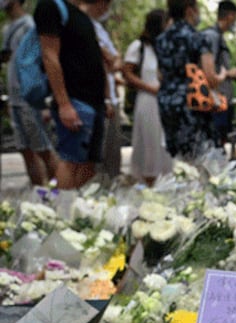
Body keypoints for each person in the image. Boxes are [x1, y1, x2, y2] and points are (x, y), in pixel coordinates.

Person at [35, 0, 110, 189]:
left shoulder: (80, 14)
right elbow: (49, 55)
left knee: (88, 163)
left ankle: (80, 210)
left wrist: (106, 98)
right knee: (71, 161)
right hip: (75, 99)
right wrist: (64, 104)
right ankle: (62, 213)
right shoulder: (51, 6)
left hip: (95, 101)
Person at [155, 0, 223, 159]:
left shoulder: (161, 39)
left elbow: (159, 75)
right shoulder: (197, 37)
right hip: (193, 101)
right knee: (200, 157)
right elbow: (210, 77)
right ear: (189, 10)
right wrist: (223, 76)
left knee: (178, 157)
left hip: (167, 102)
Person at [1, 0, 58, 186]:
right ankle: (39, 195)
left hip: (30, 98)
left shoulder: (29, 25)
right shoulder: (8, 28)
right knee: (25, 149)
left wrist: (44, 100)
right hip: (14, 98)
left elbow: (42, 61)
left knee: (42, 148)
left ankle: (62, 194)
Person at [122, 8, 172, 185]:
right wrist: (149, 88)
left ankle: (164, 180)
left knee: (164, 143)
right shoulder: (139, 47)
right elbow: (127, 73)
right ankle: (146, 179)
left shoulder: (165, 47)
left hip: (164, 101)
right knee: (149, 142)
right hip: (147, 99)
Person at [87, 0, 122, 180]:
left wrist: (111, 60)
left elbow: (115, 61)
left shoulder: (99, 28)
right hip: (99, 99)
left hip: (111, 99)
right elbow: (104, 62)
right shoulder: (83, 25)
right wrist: (106, 98)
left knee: (112, 155)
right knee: (97, 158)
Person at [202, 0, 236, 144]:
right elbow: (207, 69)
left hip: (223, 100)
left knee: (221, 142)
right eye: (235, 17)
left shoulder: (219, 37)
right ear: (230, 16)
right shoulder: (212, 36)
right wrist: (230, 74)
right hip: (215, 100)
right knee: (214, 143)